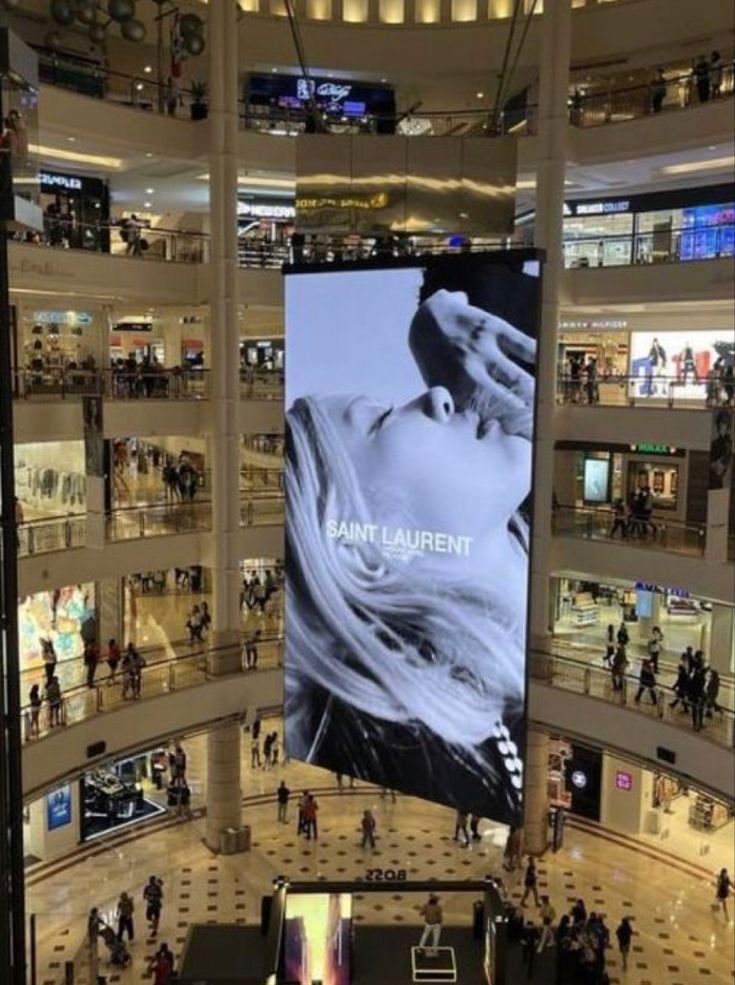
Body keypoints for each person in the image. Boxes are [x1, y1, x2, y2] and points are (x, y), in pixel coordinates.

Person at [285, 285, 531, 823]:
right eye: (378, 421)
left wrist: (435, 322)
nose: (440, 397)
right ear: (352, 543)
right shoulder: (427, 759)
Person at [709, 410, 733, 490]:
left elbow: (722, 466)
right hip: (712, 478)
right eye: (720, 423)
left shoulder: (729, 443)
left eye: (724, 423)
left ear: (727, 425)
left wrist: (718, 464)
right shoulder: (714, 443)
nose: (721, 425)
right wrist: (713, 464)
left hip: (719, 479)